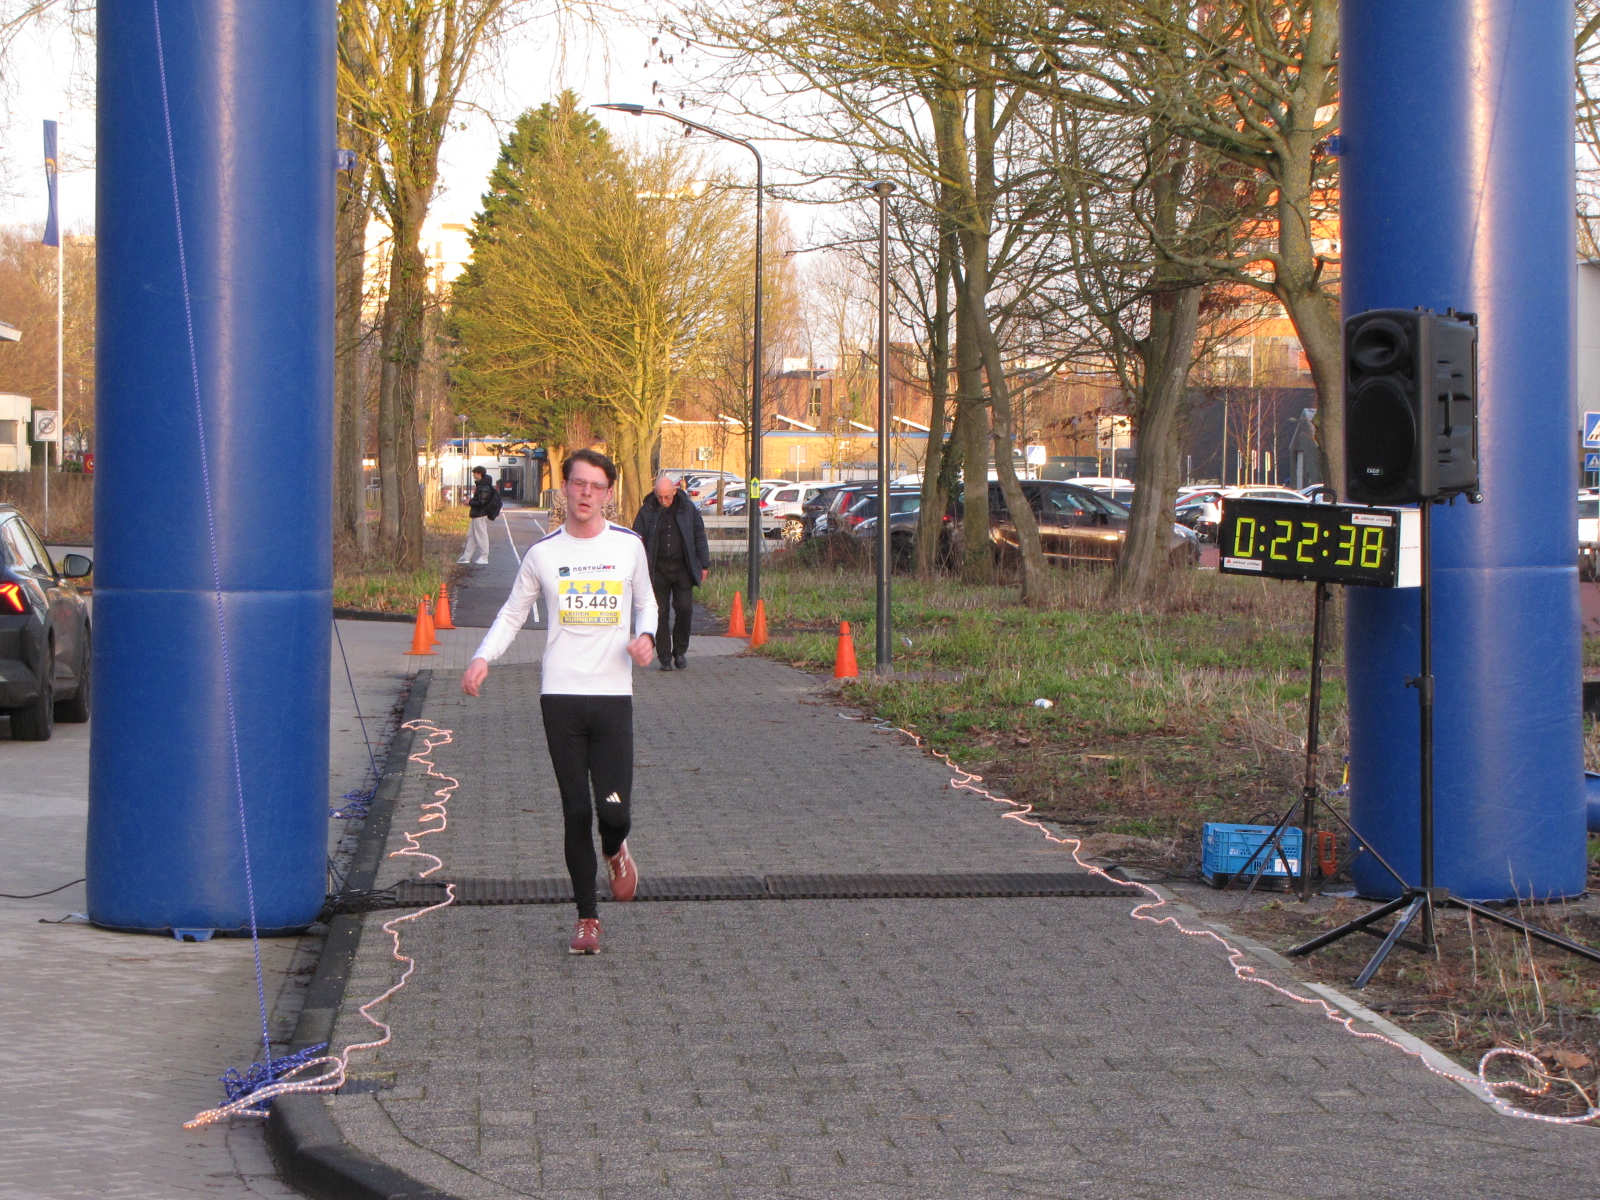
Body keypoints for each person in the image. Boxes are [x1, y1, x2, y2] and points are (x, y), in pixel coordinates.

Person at [460, 449, 656, 956]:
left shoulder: (628, 546)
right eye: (578, 483)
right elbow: (512, 613)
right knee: (575, 811)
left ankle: (616, 848)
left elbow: (647, 602)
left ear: (608, 493)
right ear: (565, 488)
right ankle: (587, 918)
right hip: (561, 698)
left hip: (612, 697)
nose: (586, 493)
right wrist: (482, 657)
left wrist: (646, 636)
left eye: (596, 485)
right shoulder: (543, 554)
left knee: (613, 812)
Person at [632, 473, 710, 671]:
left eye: (667, 497)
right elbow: (636, 539)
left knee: (685, 609)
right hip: (657, 569)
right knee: (660, 613)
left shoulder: (687, 509)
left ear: (674, 491)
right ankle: (664, 657)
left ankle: (680, 651)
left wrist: (704, 564)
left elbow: (699, 535)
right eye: (660, 497)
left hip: (683, 568)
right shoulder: (647, 510)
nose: (663, 501)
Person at [457, 466, 500, 564]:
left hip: (480, 514)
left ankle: (484, 556)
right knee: (471, 536)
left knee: (481, 535)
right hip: (477, 514)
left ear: (479, 474)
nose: (473, 475)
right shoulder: (482, 486)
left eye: (474, 473)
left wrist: (470, 502)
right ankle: (466, 557)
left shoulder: (484, 487)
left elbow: (482, 502)